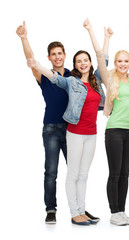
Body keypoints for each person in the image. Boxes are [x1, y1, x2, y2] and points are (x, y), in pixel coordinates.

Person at [17, 21, 111, 225]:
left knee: (77, 171)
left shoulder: (73, 76)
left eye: (61, 53)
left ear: (65, 56)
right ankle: (51, 209)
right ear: (49, 58)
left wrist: (102, 38)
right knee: (51, 171)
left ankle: (79, 209)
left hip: (72, 129)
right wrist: (24, 39)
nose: (58, 57)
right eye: (54, 54)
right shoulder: (44, 74)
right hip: (51, 128)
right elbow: (32, 60)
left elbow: (99, 66)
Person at [84, 18, 129, 226]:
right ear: (115, 64)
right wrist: (92, 30)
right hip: (114, 131)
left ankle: (122, 211)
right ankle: (114, 213)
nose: (123, 64)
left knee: (125, 173)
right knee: (115, 173)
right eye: (119, 61)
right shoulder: (109, 77)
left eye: (126, 61)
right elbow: (99, 56)